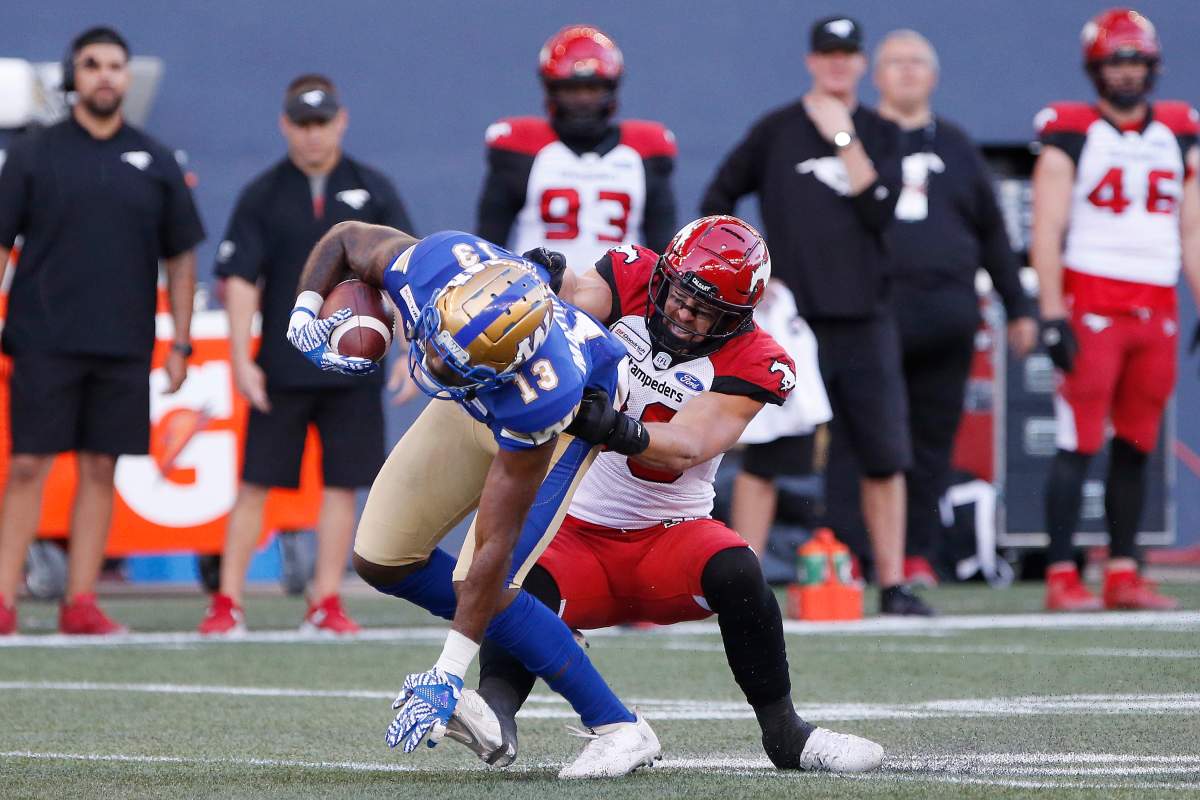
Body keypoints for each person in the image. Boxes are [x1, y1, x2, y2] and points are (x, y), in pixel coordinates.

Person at [443, 216, 882, 773]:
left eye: (708, 312)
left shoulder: (754, 358)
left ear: (737, 319)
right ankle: (495, 711)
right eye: (681, 295)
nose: (684, 314)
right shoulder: (631, 274)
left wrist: (610, 427)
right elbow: (578, 294)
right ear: (665, 276)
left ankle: (784, 732)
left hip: (668, 539)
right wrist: (547, 279)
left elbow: (689, 445)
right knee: (519, 577)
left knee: (738, 570)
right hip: (575, 533)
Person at [286, 223, 659, 778]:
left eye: (448, 364)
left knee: (485, 579)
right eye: (435, 346)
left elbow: (494, 541)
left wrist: (448, 669)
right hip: (479, 396)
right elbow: (343, 238)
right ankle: (533, 631)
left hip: (558, 421)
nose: (431, 364)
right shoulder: (435, 266)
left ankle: (619, 726)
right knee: (383, 557)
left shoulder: (543, 396)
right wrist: (304, 315)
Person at [700, 16, 930, 615]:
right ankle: (741, 586)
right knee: (769, 451)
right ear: (811, 61)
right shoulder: (777, 130)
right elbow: (716, 199)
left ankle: (895, 583)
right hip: (794, 321)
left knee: (884, 452)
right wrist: (755, 270)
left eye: (847, 54)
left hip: (866, 313)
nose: (837, 64)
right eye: (827, 53)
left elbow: (883, 211)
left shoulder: (878, 130)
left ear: (861, 63)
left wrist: (843, 138)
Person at [0, 27, 204, 635]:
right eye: (93, 65)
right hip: (42, 338)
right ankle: (4, 601)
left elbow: (183, 256)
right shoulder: (35, 153)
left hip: (123, 344)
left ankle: (80, 603)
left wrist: (182, 343)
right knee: (29, 465)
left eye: (116, 65)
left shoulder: (155, 159)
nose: (106, 75)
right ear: (74, 77)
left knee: (100, 469)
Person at [197, 75, 413, 636]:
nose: (313, 135)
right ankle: (227, 601)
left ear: (340, 121)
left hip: (353, 369)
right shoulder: (263, 193)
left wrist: (408, 353)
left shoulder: (374, 189)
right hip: (284, 368)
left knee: (343, 484)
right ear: (285, 124)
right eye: (302, 123)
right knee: (256, 484)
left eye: (322, 122)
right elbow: (241, 278)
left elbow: (407, 274)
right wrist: (244, 360)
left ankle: (325, 601)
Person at [824, 30, 1039, 587]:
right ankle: (849, 554)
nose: (908, 71)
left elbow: (994, 233)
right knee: (861, 434)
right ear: (877, 74)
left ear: (935, 75)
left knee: (930, 439)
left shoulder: (959, 145)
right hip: (872, 310)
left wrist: (1019, 306)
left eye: (918, 61)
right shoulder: (853, 138)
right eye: (896, 62)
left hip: (948, 314)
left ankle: (915, 552)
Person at [1032, 8, 1199, 611]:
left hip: (1156, 301)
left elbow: (1192, 229)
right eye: (1116, 61)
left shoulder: (1179, 129)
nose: (1126, 73)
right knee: (1079, 437)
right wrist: (1053, 312)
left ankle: (1125, 571)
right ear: (1096, 68)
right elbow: (1046, 229)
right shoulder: (1071, 131)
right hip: (1093, 296)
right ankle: (1060, 573)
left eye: (1135, 61)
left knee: (1139, 438)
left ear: (1151, 66)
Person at [476, 24, 677, 270]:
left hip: (618, 300)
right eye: (572, 89)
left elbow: (665, 257)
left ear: (610, 89)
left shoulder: (644, 155)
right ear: (552, 90)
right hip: (540, 295)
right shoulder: (521, 152)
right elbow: (487, 247)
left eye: (592, 88)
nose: (583, 100)